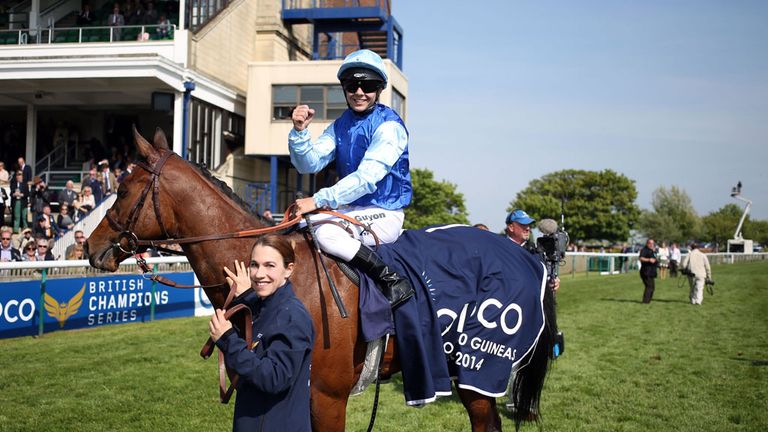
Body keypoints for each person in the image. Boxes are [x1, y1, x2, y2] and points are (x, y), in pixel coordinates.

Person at [288, 49, 414, 308]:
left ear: (378, 89)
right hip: (351, 211)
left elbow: (367, 178)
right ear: (344, 88)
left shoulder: (390, 126)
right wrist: (299, 133)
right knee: (295, 228)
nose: (359, 92)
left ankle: (391, 280)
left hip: (384, 212)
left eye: (367, 85)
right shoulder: (340, 125)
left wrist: (319, 199)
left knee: (325, 235)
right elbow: (308, 163)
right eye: (351, 85)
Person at [209, 235, 314, 432]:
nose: (259, 274)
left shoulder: (293, 318)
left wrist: (227, 340)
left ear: (288, 270)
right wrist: (248, 297)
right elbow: (264, 320)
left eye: (270, 266)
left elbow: (274, 378)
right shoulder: (266, 306)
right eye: (254, 265)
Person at [504, 209, 560, 292]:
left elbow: (543, 276)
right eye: (523, 224)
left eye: (528, 225)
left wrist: (551, 281)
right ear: (511, 227)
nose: (528, 228)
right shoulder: (500, 249)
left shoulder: (535, 251)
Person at [638, 239, 658, 303]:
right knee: (649, 286)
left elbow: (655, 258)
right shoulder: (644, 250)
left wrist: (654, 252)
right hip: (645, 271)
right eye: (650, 243)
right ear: (647, 243)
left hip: (651, 271)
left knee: (652, 287)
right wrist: (649, 260)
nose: (652, 245)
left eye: (653, 243)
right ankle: (645, 301)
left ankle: (648, 300)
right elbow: (641, 258)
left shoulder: (653, 250)